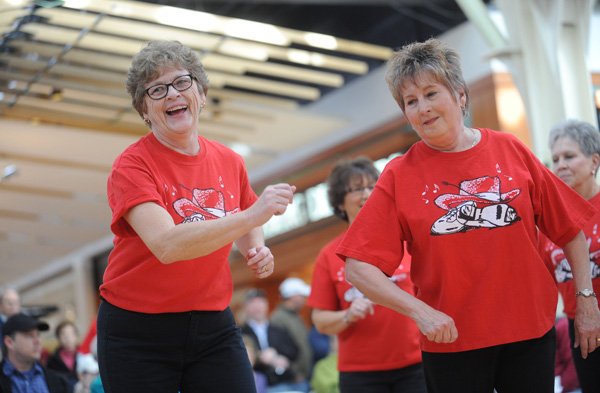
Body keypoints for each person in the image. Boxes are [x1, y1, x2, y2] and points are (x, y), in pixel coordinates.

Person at [335, 38, 600, 393]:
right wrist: (419, 311)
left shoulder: (510, 149)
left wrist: (585, 300)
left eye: (431, 93)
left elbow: (569, 230)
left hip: (530, 335)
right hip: (451, 344)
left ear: (460, 95)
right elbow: (358, 267)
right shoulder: (399, 175)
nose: (422, 107)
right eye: (411, 102)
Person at [96, 40, 295, 393]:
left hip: (212, 324)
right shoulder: (132, 165)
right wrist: (252, 217)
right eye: (156, 90)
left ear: (201, 95)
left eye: (182, 82)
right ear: (144, 110)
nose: (172, 94)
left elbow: (247, 219)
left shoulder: (229, 161)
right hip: (138, 331)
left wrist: (256, 247)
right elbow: (167, 245)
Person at [308, 157, 425, 393]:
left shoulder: (406, 240)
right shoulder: (330, 255)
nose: (367, 194)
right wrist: (348, 315)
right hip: (361, 373)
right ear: (340, 202)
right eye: (357, 189)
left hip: (417, 363)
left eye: (373, 186)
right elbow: (320, 321)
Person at [540, 119, 600, 393]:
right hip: (582, 332)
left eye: (569, 156)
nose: (560, 164)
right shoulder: (549, 223)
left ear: (593, 162)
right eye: (555, 158)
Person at [240, 288, 299, 392]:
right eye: (252, 303)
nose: (257, 307)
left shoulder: (278, 329)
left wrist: (278, 356)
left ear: (266, 304)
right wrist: (260, 356)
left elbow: (294, 351)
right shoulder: (241, 332)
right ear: (246, 307)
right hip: (258, 384)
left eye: (260, 302)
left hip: (285, 380)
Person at [0, 313, 70, 393]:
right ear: (9, 342)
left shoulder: (58, 381)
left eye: (38, 335)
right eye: (29, 336)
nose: (37, 341)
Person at [270, 278, 312, 393]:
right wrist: (295, 373)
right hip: (291, 382)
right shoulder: (278, 318)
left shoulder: (296, 316)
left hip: (303, 379)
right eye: (302, 296)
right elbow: (280, 349)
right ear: (293, 296)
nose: (304, 299)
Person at [47, 321, 80, 391]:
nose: (68, 339)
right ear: (58, 338)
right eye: (64, 335)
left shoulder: (85, 356)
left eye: (71, 334)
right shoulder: (52, 361)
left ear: (76, 336)